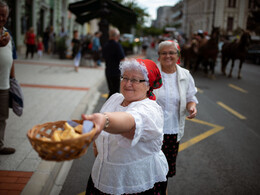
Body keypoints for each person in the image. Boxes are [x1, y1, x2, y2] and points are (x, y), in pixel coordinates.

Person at [83, 58, 168, 195]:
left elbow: (130, 122)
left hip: (135, 183)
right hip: (102, 176)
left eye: (135, 80)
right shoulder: (115, 98)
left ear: (148, 85)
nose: (128, 83)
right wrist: (97, 148)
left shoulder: (150, 109)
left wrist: (105, 120)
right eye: (125, 78)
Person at [154, 40, 198, 194]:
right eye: (164, 53)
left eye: (171, 52)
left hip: (172, 131)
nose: (168, 56)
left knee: (165, 169)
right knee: (149, 169)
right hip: (152, 131)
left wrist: (191, 107)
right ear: (159, 56)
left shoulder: (185, 75)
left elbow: (190, 97)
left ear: (177, 55)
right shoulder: (151, 73)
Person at [0, 0, 16, 154]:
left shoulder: (7, 34)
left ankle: (0, 145)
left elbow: (12, 58)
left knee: (2, 117)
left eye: (4, 15)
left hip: (4, 84)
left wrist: (13, 80)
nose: (1, 18)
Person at [102, 27, 125, 98]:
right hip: (116, 71)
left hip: (108, 71)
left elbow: (103, 57)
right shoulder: (117, 45)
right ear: (117, 36)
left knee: (111, 91)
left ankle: (108, 107)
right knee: (115, 93)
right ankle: (110, 108)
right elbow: (122, 58)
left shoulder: (105, 45)